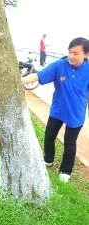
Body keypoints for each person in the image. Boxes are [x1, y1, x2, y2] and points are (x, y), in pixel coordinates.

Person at [22, 37, 89, 183]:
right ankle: (48, 159)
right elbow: (39, 76)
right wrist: (19, 80)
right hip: (58, 110)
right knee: (49, 135)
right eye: (70, 52)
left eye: (76, 53)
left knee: (70, 143)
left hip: (75, 114)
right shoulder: (60, 65)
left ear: (86, 55)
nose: (71, 56)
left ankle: (65, 171)